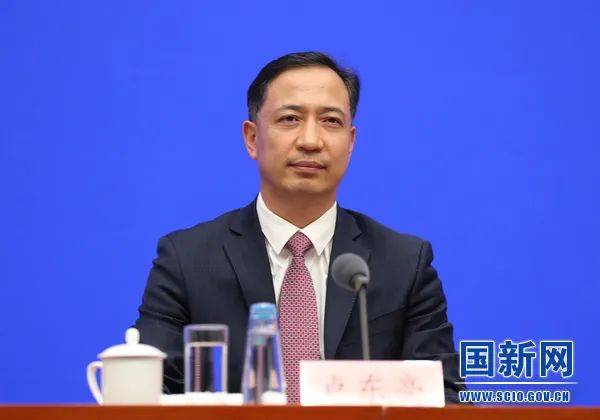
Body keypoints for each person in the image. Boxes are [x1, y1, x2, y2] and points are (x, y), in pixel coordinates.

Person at [135, 51, 464, 403]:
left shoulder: (404, 263)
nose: (310, 140)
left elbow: (444, 397)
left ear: (350, 142)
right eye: (290, 118)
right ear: (251, 138)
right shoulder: (187, 260)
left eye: (331, 121)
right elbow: (145, 393)